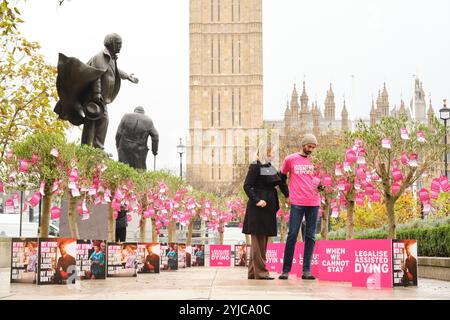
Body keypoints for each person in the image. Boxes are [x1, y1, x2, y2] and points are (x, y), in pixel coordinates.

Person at [81, 33, 139, 149]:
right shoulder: (100, 57)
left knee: (102, 122)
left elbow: (116, 70)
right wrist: (96, 93)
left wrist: (127, 76)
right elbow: (96, 75)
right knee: (93, 123)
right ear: (111, 43)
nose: (120, 46)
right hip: (95, 98)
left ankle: (96, 148)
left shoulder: (110, 58)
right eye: (118, 44)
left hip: (102, 99)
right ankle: (87, 148)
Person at [242, 143, 289, 280]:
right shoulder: (256, 165)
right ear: (265, 153)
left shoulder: (268, 167)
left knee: (261, 242)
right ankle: (261, 273)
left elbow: (279, 181)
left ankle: (253, 272)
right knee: (258, 242)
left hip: (267, 209)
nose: (273, 155)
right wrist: (257, 200)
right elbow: (247, 186)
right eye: (271, 153)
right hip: (258, 209)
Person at [279, 133, 321, 280]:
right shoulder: (290, 159)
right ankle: (286, 270)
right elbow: (281, 177)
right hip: (297, 202)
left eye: (313, 147)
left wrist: (321, 185)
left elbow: (320, 179)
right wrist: (287, 195)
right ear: (303, 145)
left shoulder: (316, 161)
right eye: (309, 146)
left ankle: (306, 271)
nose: (311, 149)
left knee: (310, 237)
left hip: (314, 203)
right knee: (292, 234)